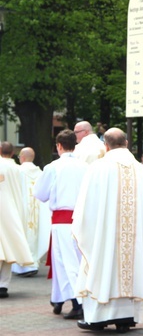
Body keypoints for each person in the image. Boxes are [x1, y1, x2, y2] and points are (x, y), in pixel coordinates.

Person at [72, 128, 143, 332]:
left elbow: (85, 207)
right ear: (127, 143)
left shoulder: (98, 168)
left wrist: (89, 229)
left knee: (103, 263)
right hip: (134, 239)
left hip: (105, 236)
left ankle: (99, 317)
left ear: (106, 145)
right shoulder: (141, 169)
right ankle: (126, 317)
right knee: (131, 264)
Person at [34, 130, 88, 319]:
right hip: (82, 221)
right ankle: (58, 298)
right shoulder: (85, 166)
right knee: (78, 262)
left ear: (58, 146)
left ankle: (77, 303)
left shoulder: (53, 167)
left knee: (66, 263)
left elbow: (40, 194)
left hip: (62, 221)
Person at [0, 141, 33, 298]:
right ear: (13, 153)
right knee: (9, 249)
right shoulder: (18, 169)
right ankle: (3, 285)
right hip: (13, 212)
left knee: (2, 249)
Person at [11, 147, 45, 277]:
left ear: (22, 158)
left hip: (20, 209)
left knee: (21, 233)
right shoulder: (40, 172)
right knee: (34, 235)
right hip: (36, 211)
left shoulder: (17, 171)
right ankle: (33, 263)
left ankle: (22, 266)